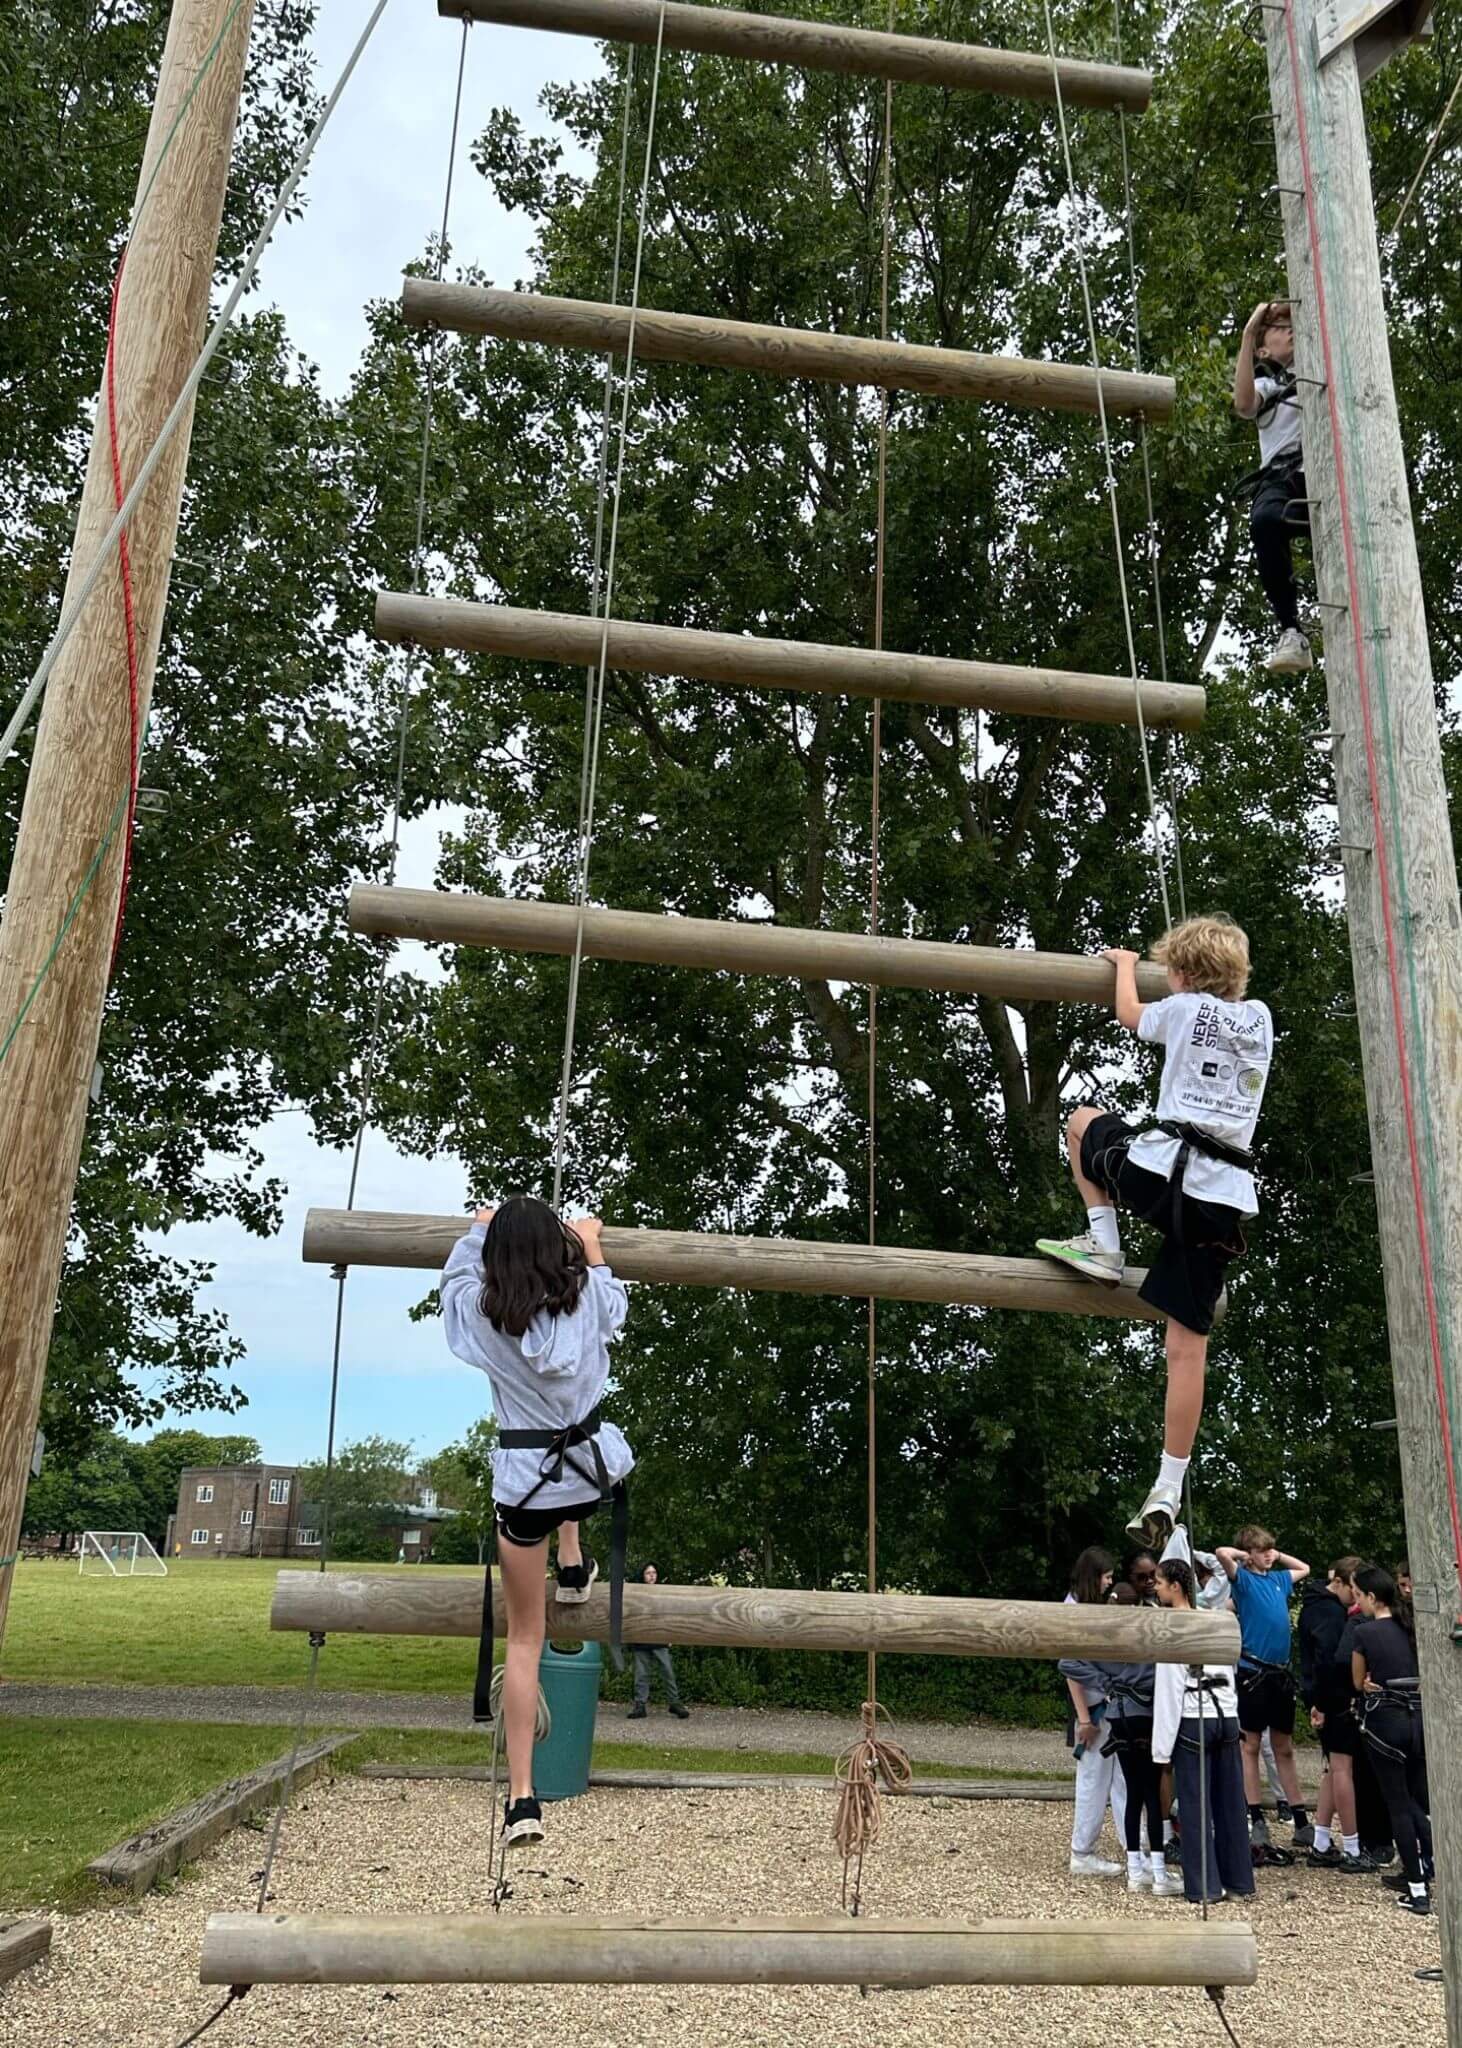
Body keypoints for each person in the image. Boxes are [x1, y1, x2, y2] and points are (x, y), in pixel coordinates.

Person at [1035, 915, 1271, 1545]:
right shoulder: (1260, 1020)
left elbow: (1130, 1015)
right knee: (1186, 1348)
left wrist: (1120, 966)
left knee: (1083, 1123)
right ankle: (1167, 1485)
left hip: (1160, 1174)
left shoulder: (1182, 1006)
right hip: (1220, 1201)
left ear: (1185, 974)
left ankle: (1104, 1243)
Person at [442, 1196, 634, 1851]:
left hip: (527, 1486)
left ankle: (523, 1797)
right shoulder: (586, 1300)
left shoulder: (486, 1315)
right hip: (587, 1474)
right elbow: (615, 1305)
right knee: (572, 1504)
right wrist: (591, 1241)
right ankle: (574, 1561)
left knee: (526, 1638)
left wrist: (476, 1231)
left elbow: (455, 1285)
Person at [1152, 1559, 1255, 1905]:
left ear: (1176, 1587)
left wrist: (1161, 1750)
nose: (1156, 1588)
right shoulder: (1216, 1620)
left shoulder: (1172, 1628)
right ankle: (1239, 1880)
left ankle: (1205, 1887)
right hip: (1226, 1715)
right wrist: (1233, 1716)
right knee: (1230, 1803)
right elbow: (1230, 1668)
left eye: (1160, 1583)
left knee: (1195, 1806)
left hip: (1194, 1717)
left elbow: (1169, 1689)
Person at [1216, 1526, 1312, 1850]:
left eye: (1271, 1549)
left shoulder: (1278, 1580)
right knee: (1250, 1746)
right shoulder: (1242, 1582)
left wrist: (1274, 1552)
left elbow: (1304, 1569)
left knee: (1284, 1747)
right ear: (1249, 1554)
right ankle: (1255, 1816)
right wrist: (1246, 1556)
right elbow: (1221, 1553)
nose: (1269, 1554)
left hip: (1280, 1675)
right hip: (1253, 1672)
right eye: (1262, 1550)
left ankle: (1300, 1818)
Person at [1232, 298, 1312, 674]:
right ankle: (1291, 630)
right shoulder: (1267, 381)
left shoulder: (1320, 363)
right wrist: (1249, 333)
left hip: (1325, 472)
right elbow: (1244, 404)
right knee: (1264, 521)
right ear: (1264, 347)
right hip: (1284, 479)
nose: (1290, 329)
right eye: (1280, 327)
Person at [1352, 1564, 1432, 1914]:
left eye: (1358, 1595)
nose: (1357, 1603)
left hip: (1386, 1720)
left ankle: (1417, 1889)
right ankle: (1431, 1861)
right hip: (1419, 1719)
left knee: (1398, 1805)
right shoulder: (1412, 1626)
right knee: (1418, 1800)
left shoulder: (1365, 1632)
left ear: (1371, 1597)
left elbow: (1358, 1682)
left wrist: (1368, 1683)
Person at [1298, 1557, 1376, 1872]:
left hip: (1324, 1697)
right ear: (1340, 1583)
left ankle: (1320, 1841)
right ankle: (1353, 1848)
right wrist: (1324, 1703)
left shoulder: (1317, 1606)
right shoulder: (1330, 1614)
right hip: (1336, 1699)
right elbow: (1328, 1662)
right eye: (1354, 1589)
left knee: (1332, 1768)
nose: (1356, 1596)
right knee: (1343, 1768)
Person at [1059, 1546, 1128, 1876]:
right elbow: (1071, 1668)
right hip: (1092, 1711)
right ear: (1093, 1575)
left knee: (1119, 1779)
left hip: (1106, 1706)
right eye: (1107, 1576)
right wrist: (1084, 1719)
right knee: (1093, 1780)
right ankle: (1082, 1852)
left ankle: (1134, 1845)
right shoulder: (1073, 1609)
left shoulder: (1089, 1606)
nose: (1110, 1582)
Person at [627, 1564, 690, 1721]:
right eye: (648, 1573)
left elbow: (668, 1615)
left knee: (668, 1672)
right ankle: (640, 1705)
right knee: (641, 1675)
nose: (652, 1576)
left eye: (654, 1572)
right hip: (641, 1639)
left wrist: (670, 1636)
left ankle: (674, 1703)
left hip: (659, 1638)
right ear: (642, 1575)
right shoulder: (636, 1593)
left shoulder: (663, 1592)